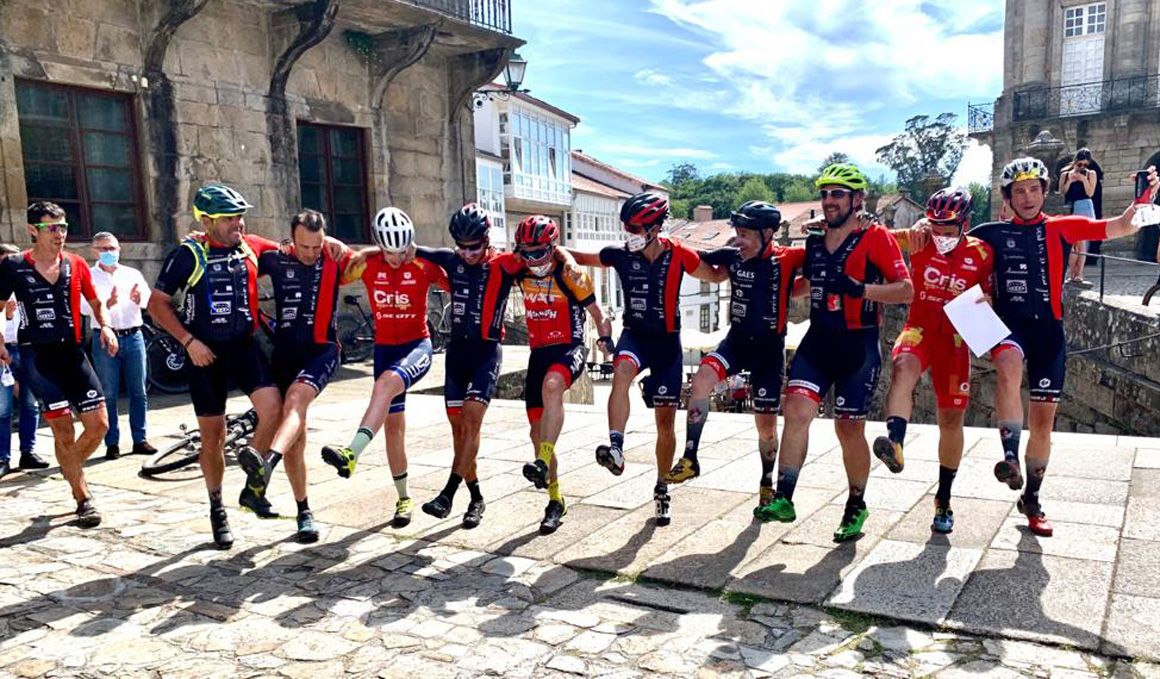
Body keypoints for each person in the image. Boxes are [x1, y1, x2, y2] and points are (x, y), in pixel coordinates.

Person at [963, 158, 1157, 537]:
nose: (1028, 196)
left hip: (1050, 333)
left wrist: (1144, 201)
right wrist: (923, 228)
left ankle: (1031, 498)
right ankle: (1008, 458)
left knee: (1043, 424)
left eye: (1034, 189)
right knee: (1007, 363)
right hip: (1009, 329)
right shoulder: (990, 233)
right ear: (1007, 198)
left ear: (1045, 191)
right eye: (1019, 191)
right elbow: (948, 247)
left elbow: (1117, 226)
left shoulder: (1060, 227)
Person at [760, 163, 913, 542]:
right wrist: (767, 284)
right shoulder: (813, 240)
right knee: (795, 409)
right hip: (818, 340)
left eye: (838, 194)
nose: (829, 201)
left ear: (857, 199)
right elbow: (804, 285)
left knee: (848, 429)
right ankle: (785, 497)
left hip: (858, 345)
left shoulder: (876, 238)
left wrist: (859, 289)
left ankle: (856, 505)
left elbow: (905, 290)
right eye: (825, 193)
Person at [564, 192, 721, 526]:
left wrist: (740, 256)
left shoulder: (679, 253)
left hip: (666, 344)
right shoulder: (620, 255)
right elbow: (582, 258)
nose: (629, 233)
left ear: (654, 227)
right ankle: (616, 449)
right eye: (626, 227)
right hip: (634, 335)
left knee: (665, 423)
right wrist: (552, 251)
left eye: (636, 227)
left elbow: (715, 276)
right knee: (621, 370)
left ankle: (663, 487)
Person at [149, 184, 284, 549]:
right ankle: (216, 507)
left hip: (243, 346)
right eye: (229, 218)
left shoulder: (250, 247)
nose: (238, 223)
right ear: (207, 221)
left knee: (273, 409)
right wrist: (188, 342)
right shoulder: (188, 254)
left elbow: (294, 248)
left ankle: (253, 486)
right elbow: (157, 303)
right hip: (204, 354)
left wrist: (330, 244)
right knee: (213, 436)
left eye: (240, 215)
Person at [663, 201, 807, 521]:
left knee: (766, 429)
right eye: (736, 233)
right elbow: (695, 259)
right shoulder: (730, 257)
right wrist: (666, 243)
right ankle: (690, 458)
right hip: (736, 343)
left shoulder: (789, 259)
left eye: (745, 234)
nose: (738, 240)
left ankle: (766, 484)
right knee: (701, 379)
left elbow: (829, 256)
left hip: (769, 352)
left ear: (768, 234)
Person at [872, 187, 994, 533]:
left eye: (948, 228)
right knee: (901, 369)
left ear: (966, 223)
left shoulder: (983, 253)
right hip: (920, 328)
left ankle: (944, 498)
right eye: (935, 226)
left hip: (955, 340)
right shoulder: (918, 240)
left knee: (951, 421)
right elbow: (873, 239)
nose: (939, 235)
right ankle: (895, 442)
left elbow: (991, 294)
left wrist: (987, 299)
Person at [320, 207, 447, 529]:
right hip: (385, 349)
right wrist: (327, 240)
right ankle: (404, 498)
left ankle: (352, 452)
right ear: (379, 245)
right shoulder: (367, 262)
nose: (397, 258)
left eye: (402, 250)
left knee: (387, 383)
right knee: (394, 428)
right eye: (390, 252)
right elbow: (332, 262)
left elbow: (461, 279)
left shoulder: (423, 263)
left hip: (417, 345)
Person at [233, 210, 356, 543]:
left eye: (317, 246)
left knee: (295, 402)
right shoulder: (277, 257)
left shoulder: (331, 258)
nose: (311, 253)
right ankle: (300, 509)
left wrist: (338, 246)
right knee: (295, 440)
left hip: (322, 351)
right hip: (285, 353)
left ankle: (266, 466)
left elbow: (364, 261)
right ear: (291, 240)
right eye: (304, 247)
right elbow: (245, 243)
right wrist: (202, 238)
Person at [0, 202, 118, 527]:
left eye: (64, 227)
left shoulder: (76, 263)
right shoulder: (13, 265)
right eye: (52, 227)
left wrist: (105, 325)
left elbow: (95, 302)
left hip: (73, 354)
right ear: (32, 230)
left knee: (100, 425)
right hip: (38, 358)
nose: (60, 234)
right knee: (63, 429)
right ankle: (84, 499)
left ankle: (69, 465)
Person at [413, 204, 522, 529]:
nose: (467, 253)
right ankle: (476, 497)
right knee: (459, 431)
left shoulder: (503, 264)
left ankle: (447, 494)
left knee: (472, 422)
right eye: (460, 246)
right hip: (457, 354)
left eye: (473, 247)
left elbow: (547, 256)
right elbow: (407, 247)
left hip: (487, 353)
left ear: (486, 240)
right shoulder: (452, 260)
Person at [512, 215, 613, 534]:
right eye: (526, 253)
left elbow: (599, 313)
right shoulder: (520, 272)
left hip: (569, 348)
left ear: (552, 247)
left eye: (539, 252)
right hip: (537, 353)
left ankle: (541, 462)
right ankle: (555, 499)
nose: (533, 260)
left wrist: (607, 342)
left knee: (553, 385)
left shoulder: (570, 274)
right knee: (536, 433)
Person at [80, 232, 155, 460]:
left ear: (119, 249)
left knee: (139, 391)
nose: (108, 253)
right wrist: (106, 305)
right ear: (94, 251)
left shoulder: (131, 274)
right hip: (104, 338)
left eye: (112, 248)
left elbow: (148, 300)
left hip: (133, 335)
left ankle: (140, 439)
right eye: (103, 249)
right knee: (109, 393)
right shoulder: (89, 276)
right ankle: (112, 442)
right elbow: (83, 308)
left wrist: (137, 300)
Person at [0, 244, 43, 478]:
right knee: (3, 409)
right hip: (3, 352)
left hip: (28, 350)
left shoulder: (26, 285)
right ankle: (2, 457)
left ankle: (29, 451)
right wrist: (6, 316)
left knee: (30, 404)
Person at [1059, 148, 1102, 286]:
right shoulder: (1065, 174)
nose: (1082, 167)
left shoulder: (1091, 174)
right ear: (1075, 162)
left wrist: (1083, 179)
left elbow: (1090, 193)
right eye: (1080, 165)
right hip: (1070, 208)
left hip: (1085, 206)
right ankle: (1072, 272)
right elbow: (1062, 191)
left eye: (1085, 165)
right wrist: (1070, 180)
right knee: (1071, 243)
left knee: (1082, 242)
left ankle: (1079, 273)